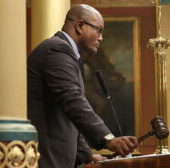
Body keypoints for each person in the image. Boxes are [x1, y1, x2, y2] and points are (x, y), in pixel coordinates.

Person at [27, 4, 139, 168]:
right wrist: (108, 139)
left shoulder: (67, 53)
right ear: (80, 26)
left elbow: (68, 115)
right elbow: (72, 101)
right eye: (98, 30)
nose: (101, 37)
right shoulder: (57, 49)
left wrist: (87, 155)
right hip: (46, 158)